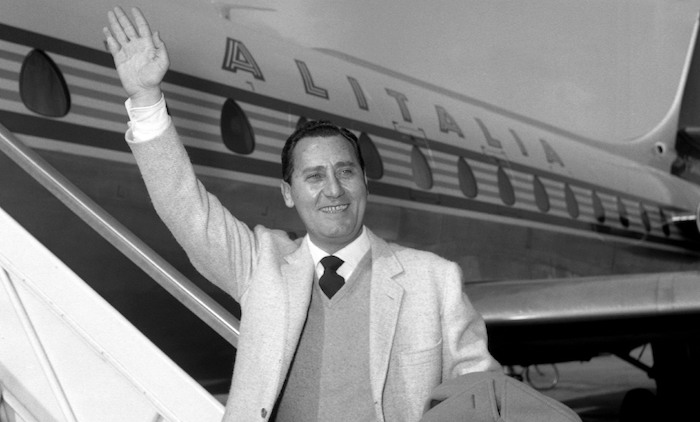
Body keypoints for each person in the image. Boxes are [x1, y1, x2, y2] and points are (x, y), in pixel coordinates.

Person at [103, 6, 501, 421]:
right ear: (288, 194)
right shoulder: (260, 266)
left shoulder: (434, 281)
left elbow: (481, 394)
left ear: (365, 182)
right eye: (314, 176)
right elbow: (183, 205)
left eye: (345, 172)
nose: (333, 189)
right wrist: (146, 99)